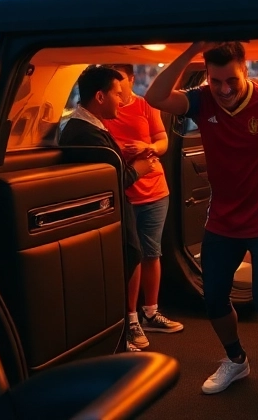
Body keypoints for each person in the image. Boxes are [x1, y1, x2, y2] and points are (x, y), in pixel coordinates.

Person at [145, 42, 258, 395]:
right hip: (222, 222)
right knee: (213, 299)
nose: (225, 89)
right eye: (216, 81)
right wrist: (191, 51)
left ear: (245, 71)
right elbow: (155, 96)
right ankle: (236, 359)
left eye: (232, 79)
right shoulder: (202, 100)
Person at [57, 66, 148, 352]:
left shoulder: (89, 127)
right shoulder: (84, 133)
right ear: (99, 96)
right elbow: (112, 180)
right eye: (117, 95)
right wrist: (140, 168)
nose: (122, 100)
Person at [101, 64, 183, 346]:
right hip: (123, 190)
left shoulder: (145, 105)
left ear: (131, 79)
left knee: (151, 252)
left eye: (121, 78)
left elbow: (162, 141)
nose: (117, 83)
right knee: (128, 256)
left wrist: (147, 147)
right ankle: (130, 317)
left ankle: (150, 311)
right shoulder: (102, 111)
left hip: (154, 189)